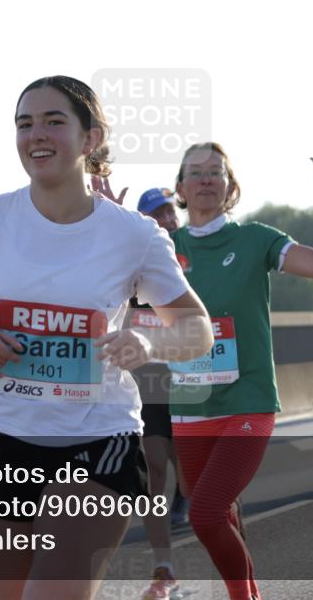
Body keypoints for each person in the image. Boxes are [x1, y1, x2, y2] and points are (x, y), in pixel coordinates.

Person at [0, 76, 214, 600]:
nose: (36, 135)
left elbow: (197, 328)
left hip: (100, 437)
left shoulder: (133, 234)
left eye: (53, 121)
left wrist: (148, 344)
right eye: (25, 123)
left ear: (90, 139)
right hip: (4, 437)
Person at [168, 142, 313, 600]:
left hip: (247, 398)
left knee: (204, 513)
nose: (206, 179)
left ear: (230, 187)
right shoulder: (164, 249)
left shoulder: (255, 240)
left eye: (216, 172)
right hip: (189, 403)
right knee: (214, 509)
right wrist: (106, 217)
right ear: (181, 188)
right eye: (196, 172)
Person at [129, 187, 190, 600]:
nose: (166, 218)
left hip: (190, 378)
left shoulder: (192, 252)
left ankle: (187, 500)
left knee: (186, 463)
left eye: (169, 211)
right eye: (157, 213)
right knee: (153, 466)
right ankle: (163, 564)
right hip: (149, 381)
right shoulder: (137, 255)